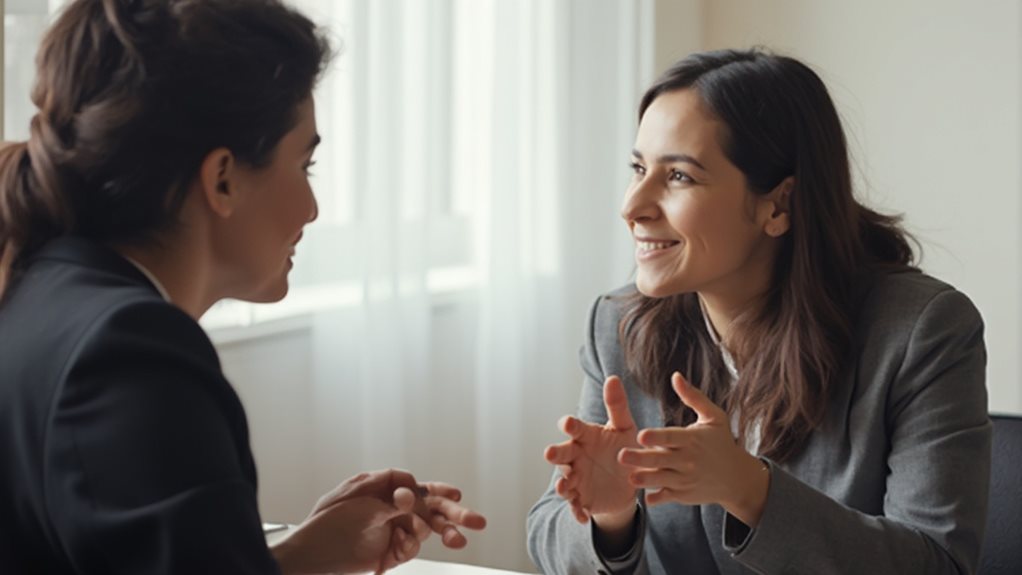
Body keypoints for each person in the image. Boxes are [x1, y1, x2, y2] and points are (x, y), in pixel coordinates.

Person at [0, 1, 485, 573]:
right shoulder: (130, 351)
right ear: (223, 178)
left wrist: (301, 554)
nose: (311, 208)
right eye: (304, 166)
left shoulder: (36, 287)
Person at [527, 48, 990, 574]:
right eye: (638, 168)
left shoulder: (921, 332)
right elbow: (548, 537)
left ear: (778, 205)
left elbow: (939, 564)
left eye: (679, 176)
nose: (633, 206)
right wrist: (610, 517)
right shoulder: (618, 323)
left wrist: (750, 489)